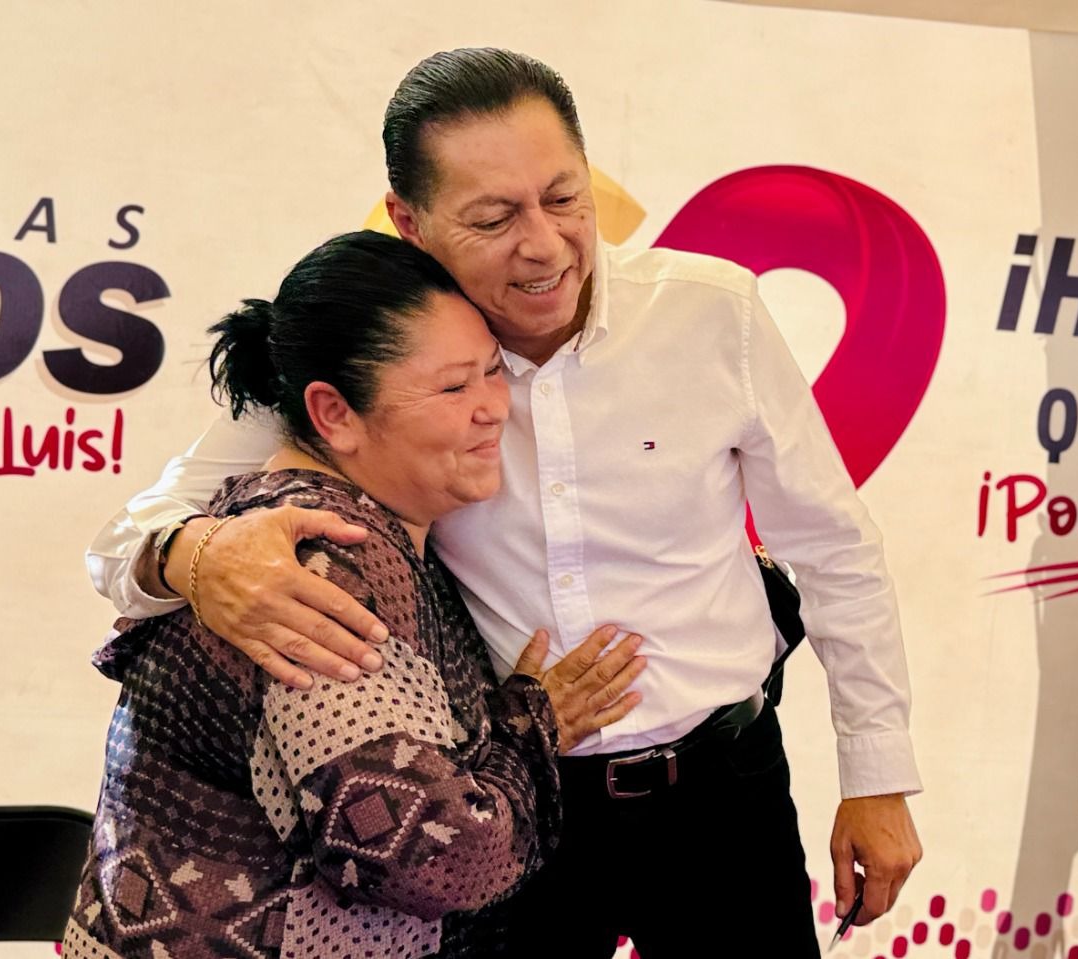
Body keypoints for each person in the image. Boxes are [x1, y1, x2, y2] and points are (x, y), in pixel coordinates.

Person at [89, 48, 922, 957]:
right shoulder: (377, 346)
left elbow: (834, 547)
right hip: (510, 806)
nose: (545, 244)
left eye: (565, 198)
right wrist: (196, 557)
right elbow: (126, 539)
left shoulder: (710, 314)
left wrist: (876, 776)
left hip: (722, 786)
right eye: (492, 218)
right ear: (409, 222)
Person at [70, 231, 651, 957]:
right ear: (334, 414)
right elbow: (432, 859)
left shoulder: (342, 522)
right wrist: (533, 725)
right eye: (453, 387)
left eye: (492, 372)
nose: (493, 408)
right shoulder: (322, 565)